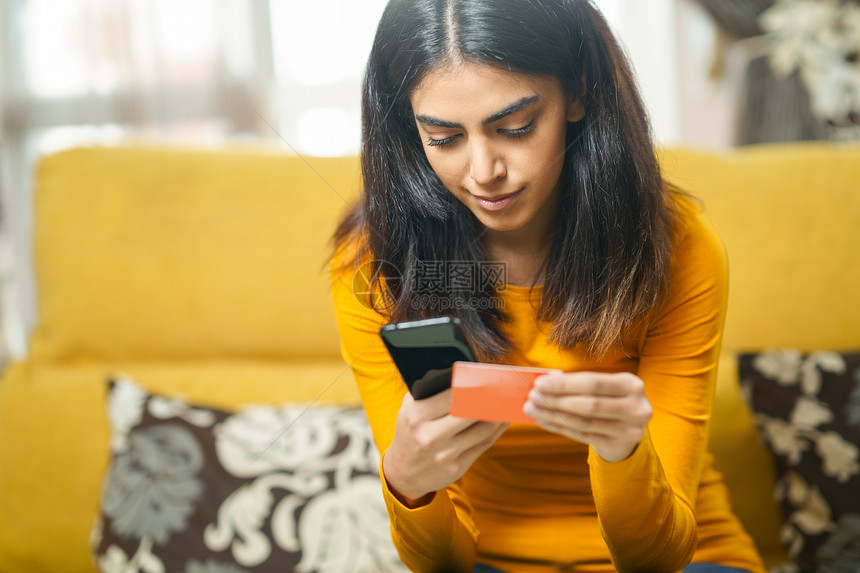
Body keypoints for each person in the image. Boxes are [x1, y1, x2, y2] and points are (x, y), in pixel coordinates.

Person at [327, 1, 766, 571]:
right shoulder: (377, 266)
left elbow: (658, 557)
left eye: (515, 128)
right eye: (443, 138)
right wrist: (410, 483)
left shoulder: (675, 247)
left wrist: (623, 453)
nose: (484, 171)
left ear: (579, 92)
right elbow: (442, 564)